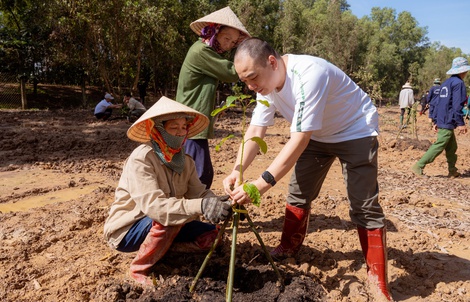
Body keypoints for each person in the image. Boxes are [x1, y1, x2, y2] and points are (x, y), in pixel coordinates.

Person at [222, 38, 392, 300]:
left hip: (354, 130)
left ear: (272, 62)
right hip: (317, 136)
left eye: (253, 77)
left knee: (363, 204)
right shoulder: (265, 86)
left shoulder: (310, 74)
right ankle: (289, 247)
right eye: (245, 81)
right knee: (299, 193)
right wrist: (237, 169)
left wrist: (261, 183)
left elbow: (299, 138)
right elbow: (256, 130)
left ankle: (377, 279)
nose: (250, 86)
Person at [103, 96, 232, 285]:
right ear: (158, 130)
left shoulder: (185, 161)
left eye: (183, 127)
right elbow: (156, 208)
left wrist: (218, 202)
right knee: (166, 221)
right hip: (129, 229)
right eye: (173, 128)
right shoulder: (142, 158)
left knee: (213, 234)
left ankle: (167, 250)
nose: (180, 133)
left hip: (168, 221)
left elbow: (199, 193)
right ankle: (139, 269)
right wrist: (201, 206)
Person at [175, 6, 250, 189]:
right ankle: (191, 213)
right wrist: (252, 56)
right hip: (190, 123)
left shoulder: (206, 52)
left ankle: (188, 212)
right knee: (200, 175)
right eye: (226, 39)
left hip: (191, 121)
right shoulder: (202, 51)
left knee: (195, 173)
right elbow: (232, 72)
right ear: (215, 31)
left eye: (233, 43)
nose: (228, 45)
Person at [411, 57, 469, 178]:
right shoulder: (458, 84)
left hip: (443, 118)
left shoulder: (446, 83)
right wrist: (460, 123)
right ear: (463, 71)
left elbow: (438, 102)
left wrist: (436, 120)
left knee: (452, 146)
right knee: (440, 144)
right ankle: (419, 166)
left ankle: (452, 170)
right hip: (449, 119)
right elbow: (457, 104)